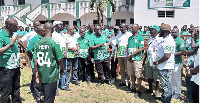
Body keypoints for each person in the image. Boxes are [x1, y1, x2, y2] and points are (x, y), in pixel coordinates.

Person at [33, 22, 65, 103]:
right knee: (49, 99)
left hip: (41, 73)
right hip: (51, 75)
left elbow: (35, 59)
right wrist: (63, 69)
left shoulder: (38, 42)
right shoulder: (54, 42)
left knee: (43, 96)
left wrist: (37, 71)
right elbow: (60, 59)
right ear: (53, 30)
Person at [0, 18, 24, 103]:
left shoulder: (13, 35)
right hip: (5, 69)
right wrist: (10, 44)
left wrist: (19, 62)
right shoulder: (1, 35)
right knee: (6, 93)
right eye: (15, 26)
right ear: (9, 26)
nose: (17, 27)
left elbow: (15, 51)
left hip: (15, 67)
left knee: (16, 91)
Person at [153, 24, 175, 103]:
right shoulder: (165, 39)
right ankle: (164, 97)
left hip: (166, 66)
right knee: (164, 83)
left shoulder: (168, 40)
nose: (159, 32)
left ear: (164, 31)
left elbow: (167, 56)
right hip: (163, 65)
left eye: (161, 30)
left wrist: (157, 62)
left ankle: (167, 100)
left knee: (166, 84)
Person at [26, 26, 44, 103]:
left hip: (44, 63)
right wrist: (32, 58)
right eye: (44, 30)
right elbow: (28, 50)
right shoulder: (34, 39)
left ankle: (42, 93)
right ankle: (37, 96)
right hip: (36, 63)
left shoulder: (44, 39)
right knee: (36, 80)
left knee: (42, 79)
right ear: (41, 32)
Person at [143, 25, 161, 97]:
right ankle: (150, 89)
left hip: (156, 60)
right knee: (149, 75)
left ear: (156, 30)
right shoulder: (150, 38)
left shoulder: (160, 39)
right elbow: (148, 49)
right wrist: (145, 59)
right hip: (149, 59)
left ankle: (157, 90)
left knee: (156, 76)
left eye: (151, 30)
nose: (150, 31)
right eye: (149, 30)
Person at [126, 24, 144, 98]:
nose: (131, 29)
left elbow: (140, 49)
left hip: (137, 59)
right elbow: (128, 47)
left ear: (137, 29)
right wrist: (128, 56)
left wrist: (131, 55)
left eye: (132, 28)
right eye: (130, 28)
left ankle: (138, 90)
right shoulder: (130, 38)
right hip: (130, 59)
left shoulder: (140, 38)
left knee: (138, 75)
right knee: (132, 74)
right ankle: (133, 88)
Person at [114, 23, 131, 89]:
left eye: (122, 27)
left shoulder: (129, 35)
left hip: (126, 55)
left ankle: (129, 82)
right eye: (120, 27)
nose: (120, 29)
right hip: (120, 54)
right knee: (122, 69)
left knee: (128, 69)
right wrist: (115, 54)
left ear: (126, 28)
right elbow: (116, 45)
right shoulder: (118, 35)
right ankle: (123, 82)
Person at [52, 21, 67, 95]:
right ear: (55, 26)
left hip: (64, 56)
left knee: (64, 71)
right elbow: (54, 47)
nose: (62, 26)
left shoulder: (62, 34)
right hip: (57, 57)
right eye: (60, 25)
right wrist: (60, 54)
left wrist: (65, 53)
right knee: (56, 72)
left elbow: (65, 44)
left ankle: (64, 85)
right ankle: (55, 89)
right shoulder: (53, 35)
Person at [63, 25, 80, 91]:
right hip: (69, 54)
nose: (74, 30)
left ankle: (75, 79)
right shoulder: (65, 36)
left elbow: (77, 43)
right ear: (70, 30)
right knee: (68, 68)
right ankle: (67, 82)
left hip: (75, 54)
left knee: (75, 68)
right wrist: (71, 48)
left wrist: (77, 50)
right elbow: (65, 45)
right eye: (73, 29)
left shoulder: (74, 36)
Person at [185, 27, 199, 102]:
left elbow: (193, 47)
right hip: (190, 63)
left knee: (194, 83)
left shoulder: (198, 41)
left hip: (196, 66)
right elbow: (187, 52)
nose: (194, 32)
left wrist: (192, 36)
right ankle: (189, 97)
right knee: (188, 81)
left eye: (196, 31)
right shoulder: (189, 40)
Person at [171, 28, 186, 99]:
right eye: (172, 32)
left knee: (177, 78)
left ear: (177, 33)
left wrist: (172, 54)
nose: (172, 33)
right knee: (172, 78)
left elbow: (183, 52)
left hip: (178, 62)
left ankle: (178, 92)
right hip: (171, 62)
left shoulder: (180, 41)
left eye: (174, 32)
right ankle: (173, 91)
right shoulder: (171, 40)